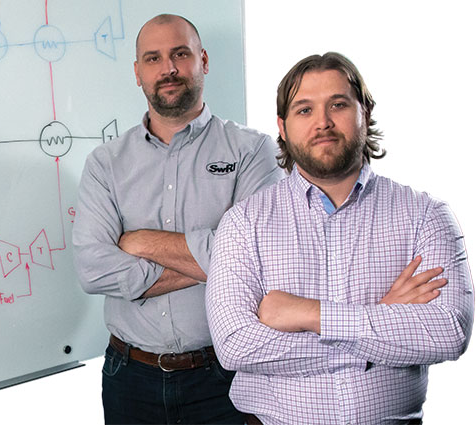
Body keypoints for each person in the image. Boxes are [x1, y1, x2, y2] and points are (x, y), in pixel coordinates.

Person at [206, 51, 474, 424]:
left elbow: (448, 331)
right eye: (304, 110)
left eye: (338, 105)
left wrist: (308, 313)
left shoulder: (425, 215)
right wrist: (381, 324)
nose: (323, 122)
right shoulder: (243, 224)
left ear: (365, 112)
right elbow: (235, 347)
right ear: (282, 128)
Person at [72, 13, 283, 424]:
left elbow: (262, 257)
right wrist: (220, 259)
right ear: (137, 73)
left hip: (224, 375)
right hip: (129, 378)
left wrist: (139, 241)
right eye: (152, 58)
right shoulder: (105, 163)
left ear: (203, 60)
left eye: (179, 54)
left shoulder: (253, 151)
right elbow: (93, 270)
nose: (167, 68)